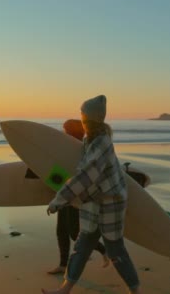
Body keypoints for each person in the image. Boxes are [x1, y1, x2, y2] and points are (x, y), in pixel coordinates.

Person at [42, 95, 141, 294]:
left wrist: (59, 200)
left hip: (110, 202)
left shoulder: (101, 143)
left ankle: (135, 290)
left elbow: (87, 175)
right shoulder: (89, 140)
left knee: (115, 250)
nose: (80, 117)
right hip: (92, 202)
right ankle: (65, 288)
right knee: (81, 246)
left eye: (82, 114)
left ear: (89, 118)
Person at [47, 119, 109, 275]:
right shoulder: (67, 148)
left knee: (75, 233)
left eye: (66, 130)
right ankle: (62, 265)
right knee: (61, 230)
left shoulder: (82, 149)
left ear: (73, 132)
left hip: (76, 194)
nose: (63, 132)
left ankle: (104, 250)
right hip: (64, 191)